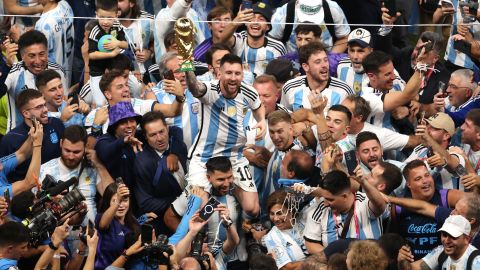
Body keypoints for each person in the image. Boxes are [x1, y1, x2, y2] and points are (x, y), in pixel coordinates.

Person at [185, 53, 266, 218]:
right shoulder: (210, 90)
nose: (233, 78)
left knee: (253, 208)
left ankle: (228, 189)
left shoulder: (248, 92)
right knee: (199, 208)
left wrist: (262, 120)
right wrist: (188, 68)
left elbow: (258, 107)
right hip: (205, 157)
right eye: (229, 73)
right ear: (219, 73)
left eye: (237, 73)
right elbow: (195, 88)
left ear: (242, 74)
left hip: (234, 157)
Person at [167, 157, 241, 270]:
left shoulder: (239, 192)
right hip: (195, 259)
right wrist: (189, 239)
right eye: (221, 179)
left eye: (229, 177)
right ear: (208, 177)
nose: (226, 184)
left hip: (228, 258)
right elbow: (169, 217)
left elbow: (249, 219)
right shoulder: (195, 191)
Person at [38, 125, 114, 224]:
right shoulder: (45, 170)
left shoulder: (92, 168)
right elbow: (36, 205)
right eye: (67, 150)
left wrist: (99, 165)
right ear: (61, 143)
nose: (71, 156)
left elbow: (113, 196)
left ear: (86, 147)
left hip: (90, 236)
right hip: (58, 235)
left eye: (76, 152)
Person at [391, 160, 463, 260]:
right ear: (409, 184)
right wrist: (399, 251)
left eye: (427, 175)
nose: (425, 181)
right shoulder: (398, 207)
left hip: (443, 263)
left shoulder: (447, 197)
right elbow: (394, 239)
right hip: (412, 265)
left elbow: (474, 203)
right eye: (418, 178)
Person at [303, 170, 388, 254]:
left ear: (344, 196)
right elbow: (311, 244)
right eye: (324, 198)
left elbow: (380, 205)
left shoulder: (365, 202)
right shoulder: (320, 210)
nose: (325, 203)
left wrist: (363, 183)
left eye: (330, 199)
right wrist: (334, 258)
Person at [134, 111, 188, 235]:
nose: (159, 138)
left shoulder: (179, 146)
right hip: (161, 223)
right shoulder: (142, 162)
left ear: (167, 129)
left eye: (161, 132)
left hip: (189, 214)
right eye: (153, 135)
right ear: (145, 136)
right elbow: (145, 202)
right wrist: (180, 201)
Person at [84, 69, 184, 136]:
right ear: (108, 94)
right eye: (120, 87)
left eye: (126, 85)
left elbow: (173, 111)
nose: (126, 89)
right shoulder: (94, 116)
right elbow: (90, 149)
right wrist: (96, 126)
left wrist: (179, 97)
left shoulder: (142, 105)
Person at [4, 30, 67, 132]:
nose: (38, 61)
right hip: (19, 137)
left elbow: (64, 100)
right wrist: (6, 66)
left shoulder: (58, 70)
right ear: (22, 56)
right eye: (32, 56)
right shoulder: (13, 72)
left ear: (47, 52)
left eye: (42, 54)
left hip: (50, 135)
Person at [0, 89, 64, 182]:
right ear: (26, 113)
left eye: (45, 105)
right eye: (39, 107)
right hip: (26, 192)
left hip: (56, 186)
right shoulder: (10, 140)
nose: (46, 110)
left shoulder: (56, 124)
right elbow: (3, 173)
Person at [385, 192, 480, 249]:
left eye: (457, 212)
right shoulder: (451, 216)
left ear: (471, 221)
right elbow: (423, 207)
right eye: (454, 209)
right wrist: (389, 199)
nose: (452, 213)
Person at [281, 41, 354, 112]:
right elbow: (285, 119)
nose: (324, 65)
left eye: (326, 60)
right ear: (306, 67)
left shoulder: (344, 91)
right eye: (318, 62)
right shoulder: (290, 87)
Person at [147, 52, 200, 149]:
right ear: (165, 76)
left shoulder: (198, 87)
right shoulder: (154, 94)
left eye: (185, 69)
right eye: (177, 71)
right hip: (172, 156)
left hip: (198, 154)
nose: (183, 74)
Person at [218, 2, 286, 75]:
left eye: (261, 19)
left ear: (268, 27)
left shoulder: (277, 47)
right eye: (252, 18)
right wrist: (235, 22)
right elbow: (222, 40)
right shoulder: (239, 38)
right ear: (246, 23)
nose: (255, 22)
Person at [87, 0, 129, 106]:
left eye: (109, 18)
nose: (105, 21)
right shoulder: (95, 31)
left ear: (116, 15)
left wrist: (117, 42)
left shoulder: (117, 26)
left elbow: (126, 44)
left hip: (115, 71)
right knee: (102, 103)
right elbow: (91, 54)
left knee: (135, 89)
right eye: (102, 17)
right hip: (98, 72)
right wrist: (111, 54)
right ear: (96, 14)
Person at [270, 0, 350, 53]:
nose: (303, 44)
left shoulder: (333, 9)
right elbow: (272, 41)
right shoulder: (284, 13)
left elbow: (344, 38)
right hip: (292, 62)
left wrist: (329, 59)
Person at [402, 215, 480, 270]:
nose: (446, 241)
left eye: (453, 236)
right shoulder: (440, 251)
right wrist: (402, 259)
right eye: (444, 235)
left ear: (467, 239)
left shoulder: (476, 262)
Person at [95, 101, 142, 188]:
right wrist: (123, 141)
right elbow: (104, 152)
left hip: (139, 194)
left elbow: (171, 130)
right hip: (115, 196)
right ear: (114, 126)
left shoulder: (140, 136)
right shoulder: (104, 140)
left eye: (132, 120)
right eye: (123, 122)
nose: (129, 125)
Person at [94, 182, 139, 270]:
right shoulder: (101, 218)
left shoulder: (133, 222)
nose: (121, 205)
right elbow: (102, 225)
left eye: (125, 200)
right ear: (108, 203)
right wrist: (118, 200)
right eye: (114, 201)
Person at [261, 190, 307, 269]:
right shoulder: (271, 238)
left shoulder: (304, 220)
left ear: (291, 211)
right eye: (272, 214)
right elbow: (288, 268)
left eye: (279, 213)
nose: (275, 219)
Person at [153, 0, 206, 64]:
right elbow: (175, 14)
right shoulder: (162, 15)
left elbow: (200, 40)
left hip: (195, 67)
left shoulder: (193, 13)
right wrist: (185, 1)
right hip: (169, 69)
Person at [35, 0, 74, 86]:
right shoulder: (65, 5)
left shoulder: (42, 25)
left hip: (51, 81)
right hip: (66, 72)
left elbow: (39, 60)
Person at [117, 0, 154, 75]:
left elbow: (158, 40)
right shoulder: (107, 22)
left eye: (120, 0)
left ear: (131, 3)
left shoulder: (148, 20)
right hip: (120, 75)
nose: (116, 4)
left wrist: (150, 52)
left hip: (147, 74)